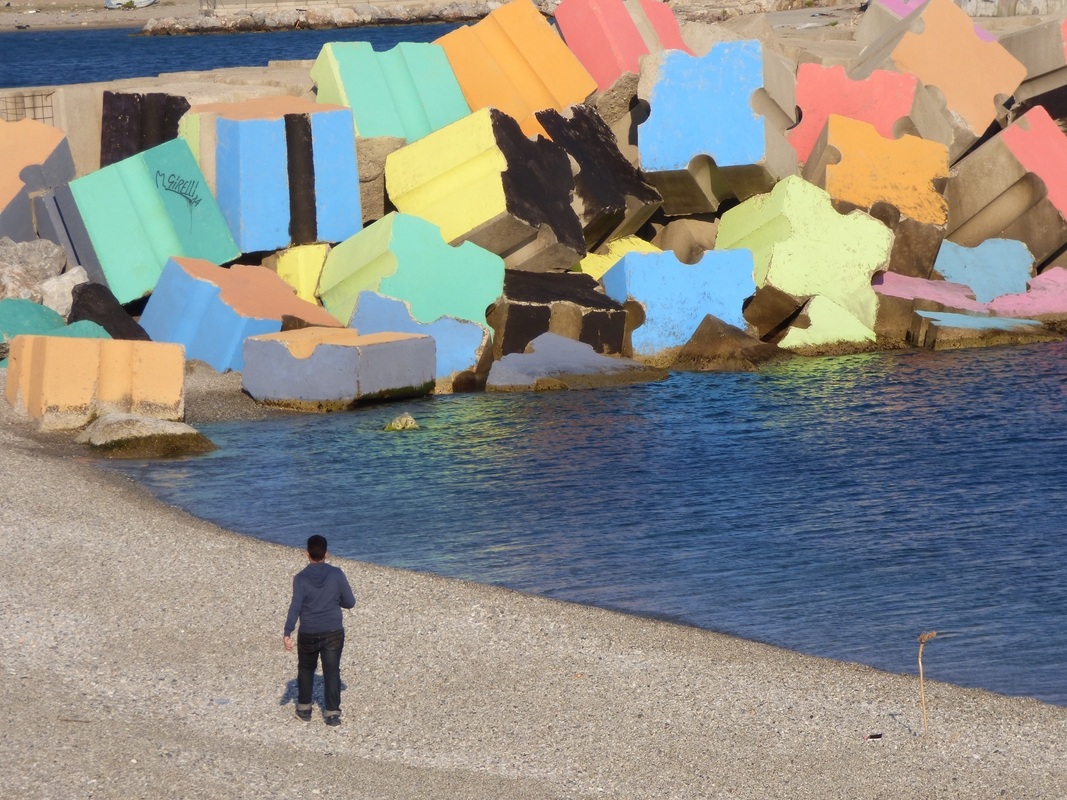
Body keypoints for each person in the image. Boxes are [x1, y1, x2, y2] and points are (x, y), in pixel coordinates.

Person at [283, 535, 356, 726]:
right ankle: (332, 713)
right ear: (326, 553)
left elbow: (295, 606)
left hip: (308, 631)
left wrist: (288, 631)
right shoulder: (336, 574)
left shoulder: (300, 578)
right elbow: (350, 602)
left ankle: (304, 709)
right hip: (333, 630)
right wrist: (335, 600)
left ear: (307, 554)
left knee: (306, 668)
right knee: (331, 670)